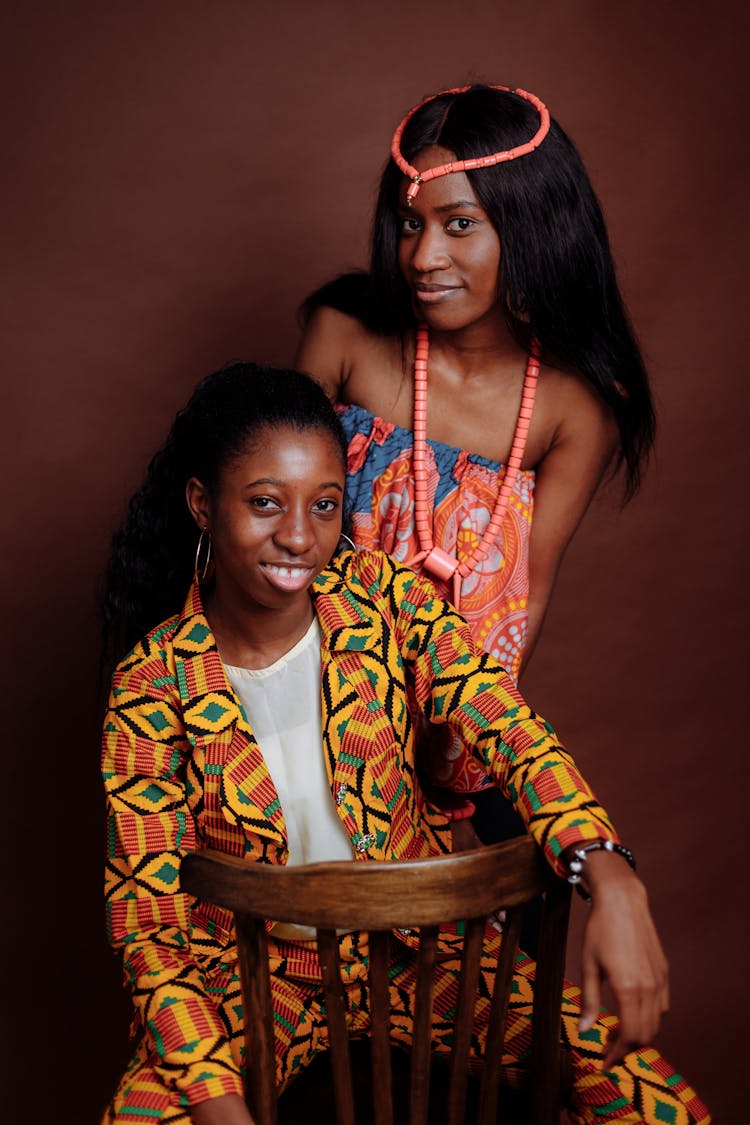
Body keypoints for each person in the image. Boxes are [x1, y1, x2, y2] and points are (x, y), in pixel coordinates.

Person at [101, 363, 708, 1125]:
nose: (297, 534)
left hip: (422, 955)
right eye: (264, 503)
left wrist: (607, 872)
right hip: (254, 981)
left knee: (646, 1099)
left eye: (324, 505)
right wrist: (220, 1107)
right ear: (202, 503)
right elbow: (149, 924)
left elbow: (505, 724)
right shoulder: (154, 681)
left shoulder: (386, 598)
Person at [296, 83, 655, 829]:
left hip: (450, 737)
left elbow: (524, 599)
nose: (423, 258)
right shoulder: (344, 337)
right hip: (295, 719)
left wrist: (456, 763)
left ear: (530, 231)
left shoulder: (576, 406)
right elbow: (265, 526)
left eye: (459, 224)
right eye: (409, 224)